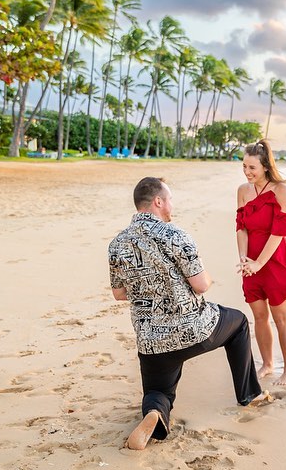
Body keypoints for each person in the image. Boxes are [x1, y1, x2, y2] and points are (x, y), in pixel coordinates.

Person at [109, 177, 268, 450]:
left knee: (158, 392)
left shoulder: (117, 244)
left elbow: (119, 294)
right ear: (158, 202)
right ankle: (249, 394)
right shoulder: (176, 236)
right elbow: (201, 284)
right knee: (239, 321)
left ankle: (155, 414)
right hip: (193, 330)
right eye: (169, 199)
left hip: (151, 341)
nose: (172, 205)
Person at [236, 139, 286, 386]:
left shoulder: (281, 190)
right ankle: (268, 364)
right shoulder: (242, 191)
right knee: (259, 316)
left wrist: (259, 263)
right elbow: (241, 228)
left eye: (252, 168)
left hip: (276, 261)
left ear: (265, 167)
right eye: (244, 167)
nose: (247, 172)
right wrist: (244, 259)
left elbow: (279, 232)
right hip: (251, 262)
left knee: (281, 318)